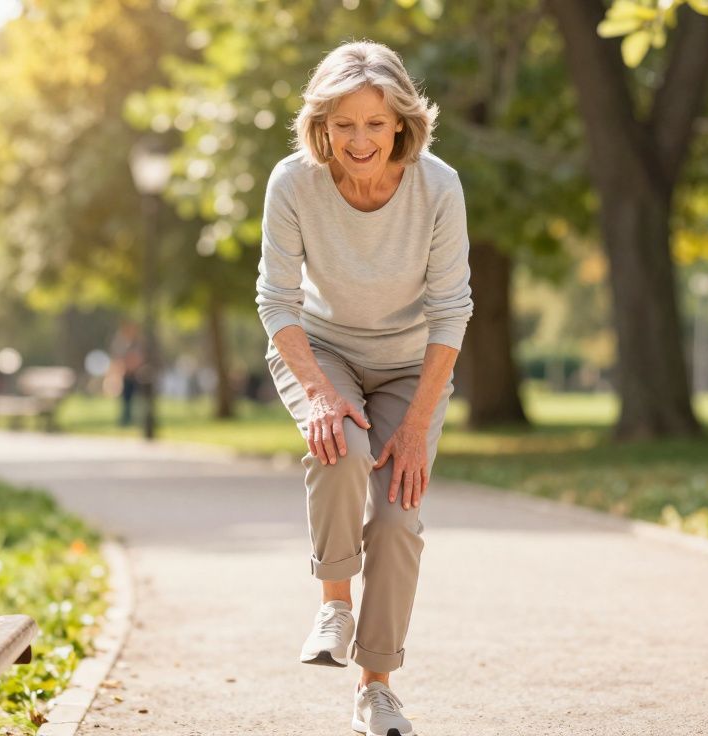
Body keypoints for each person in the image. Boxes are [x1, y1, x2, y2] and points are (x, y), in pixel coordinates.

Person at [256, 41, 472, 736]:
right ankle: (334, 603)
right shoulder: (293, 183)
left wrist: (415, 425)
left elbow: (451, 312)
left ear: (402, 124)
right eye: (344, 124)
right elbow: (277, 302)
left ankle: (376, 687)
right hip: (321, 349)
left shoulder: (438, 188)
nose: (359, 140)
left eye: (375, 125)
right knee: (340, 447)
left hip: (414, 364)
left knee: (399, 515)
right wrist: (317, 391)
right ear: (321, 124)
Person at [109, 320, 146, 427]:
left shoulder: (137, 343)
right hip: (125, 374)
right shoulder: (122, 344)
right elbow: (118, 358)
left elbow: (140, 357)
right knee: (126, 398)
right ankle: (125, 419)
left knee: (137, 398)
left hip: (136, 374)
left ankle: (135, 419)